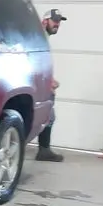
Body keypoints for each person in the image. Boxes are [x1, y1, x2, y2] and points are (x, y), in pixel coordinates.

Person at [36, 9, 67, 162]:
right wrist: (46, 83)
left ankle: (44, 150)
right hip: (35, 84)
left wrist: (50, 79)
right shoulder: (39, 37)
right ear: (45, 21)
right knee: (47, 115)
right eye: (55, 21)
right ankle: (43, 151)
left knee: (48, 116)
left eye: (59, 22)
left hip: (40, 82)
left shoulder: (43, 37)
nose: (57, 24)